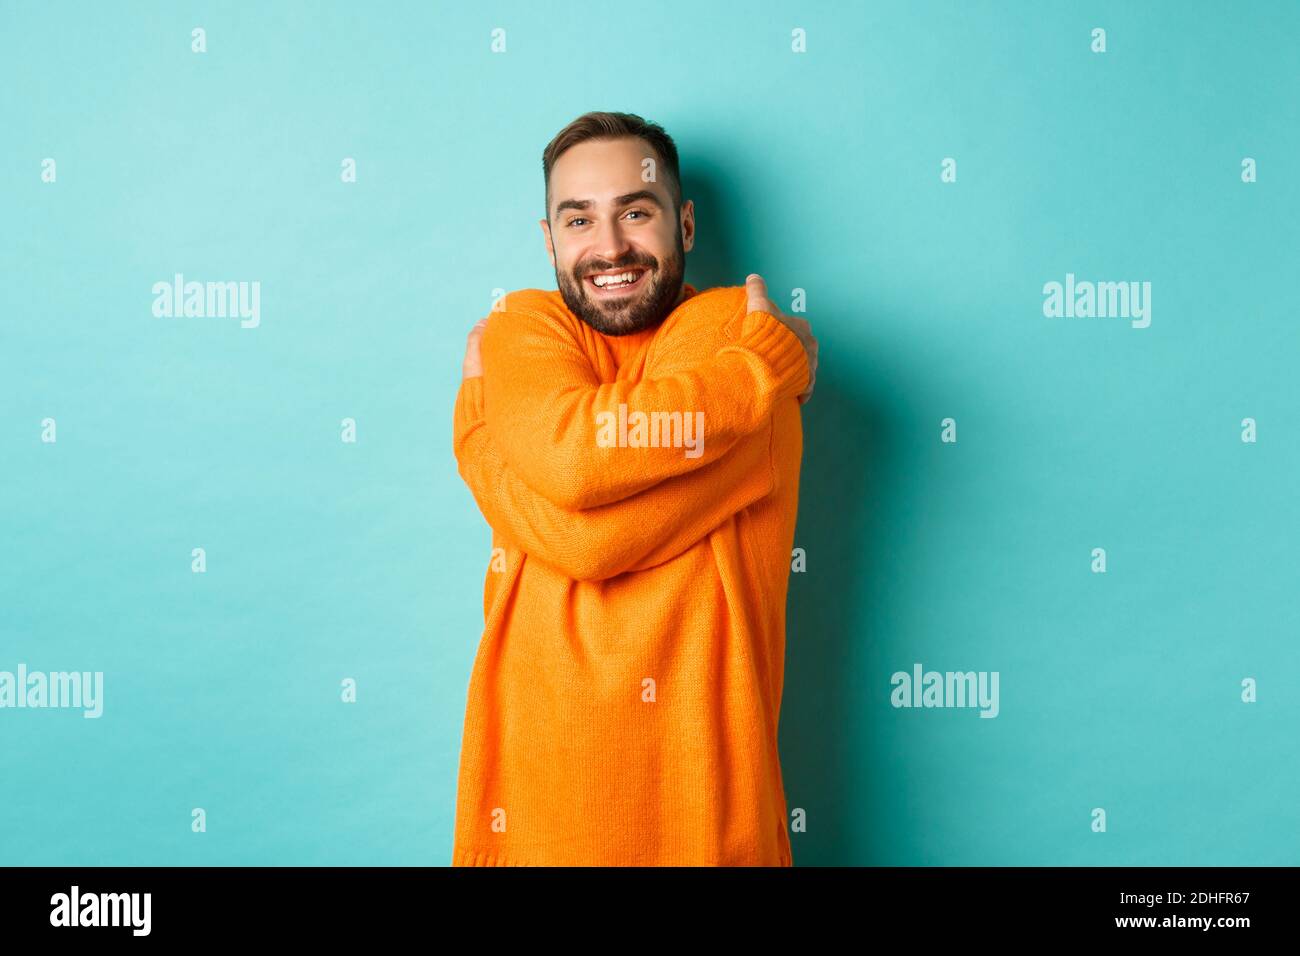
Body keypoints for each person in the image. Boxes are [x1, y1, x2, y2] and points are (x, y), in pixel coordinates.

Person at [451, 111, 818, 865]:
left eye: (636, 211)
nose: (609, 247)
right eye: (579, 218)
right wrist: (758, 374)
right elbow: (577, 465)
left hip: (707, 830)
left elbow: (585, 519)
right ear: (550, 239)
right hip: (528, 826)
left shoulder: (728, 330)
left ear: (684, 224)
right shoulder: (524, 325)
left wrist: (480, 436)